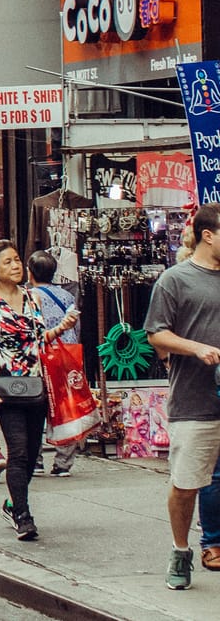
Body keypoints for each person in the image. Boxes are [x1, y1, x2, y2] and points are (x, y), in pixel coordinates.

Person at [0, 240, 75, 542]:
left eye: (17, 260)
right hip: (5, 388)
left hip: (36, 386)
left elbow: (39, 341)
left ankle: (13, 502)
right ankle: (23, 517)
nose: (16, 266)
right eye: (8, 262)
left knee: (31, 455)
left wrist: (63, 326)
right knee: (17, 451)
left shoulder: (33, 299)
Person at [143, 202, 220, 589]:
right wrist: (197, 348)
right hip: (194, 401)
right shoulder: (175, 280)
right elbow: (156, 333)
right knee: (187, 482)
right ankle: (180, 550)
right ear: (209, 235)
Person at [27, 249, 80, 478]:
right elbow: (75, 328)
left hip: (39, 356)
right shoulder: (67, 296)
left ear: (30, 273)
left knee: (35, 408)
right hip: (65, 356)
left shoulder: (27, 296)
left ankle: (35, 459)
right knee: (65, 408)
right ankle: (63, 463)